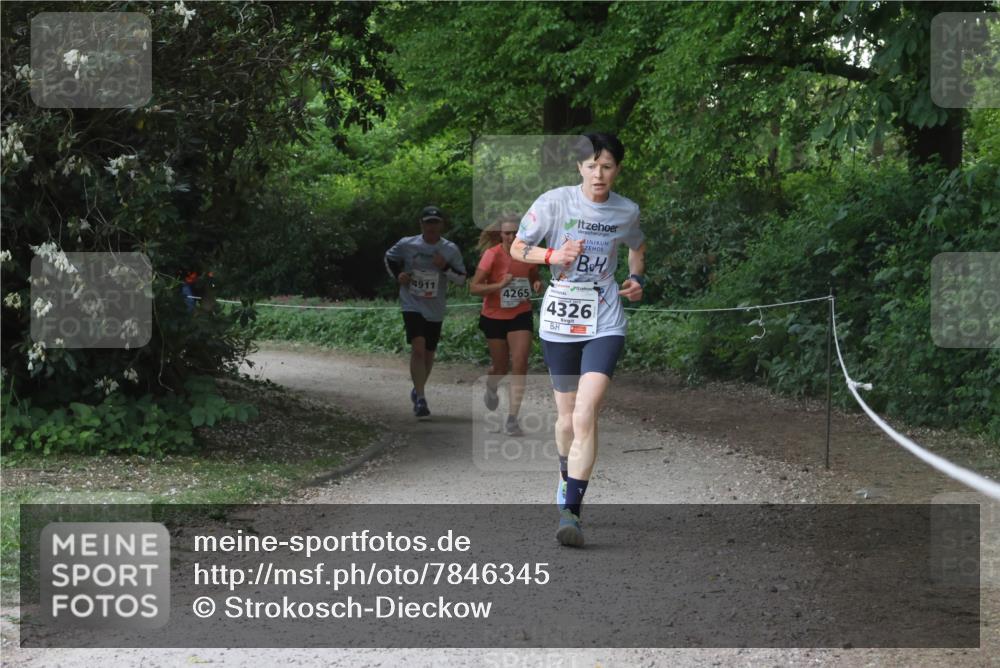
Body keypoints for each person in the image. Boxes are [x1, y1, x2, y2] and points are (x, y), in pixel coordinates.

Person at [510, 132, 647, 547]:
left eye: (607, 166)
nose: (598, 174)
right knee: (567, 419)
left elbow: (637, 247)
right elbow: (519, 248)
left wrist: (636, 277)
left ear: (617, 170)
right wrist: (553, 256)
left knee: (586, 414)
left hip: (604, 318)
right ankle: (565, 475)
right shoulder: (554, 202)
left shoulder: (626, 210)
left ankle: (571, 511)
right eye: (591, 166)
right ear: (579, 168)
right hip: (561, 320)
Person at [384, 206, 467, 419]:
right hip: (412, 302)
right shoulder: (407, 243)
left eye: (435, 222)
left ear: (441, 225)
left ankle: (417, 388)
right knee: (418, 348)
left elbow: (461, 279)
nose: (431, 226)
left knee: (429, 354)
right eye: (428, 222)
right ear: (421, 224)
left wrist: (445, 267)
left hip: (435, 306)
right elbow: (389, 258)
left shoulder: (450, 249)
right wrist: (399, 275)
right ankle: (421, 398)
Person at [468, 215, 543, 436]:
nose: (511, 237)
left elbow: (534, 277)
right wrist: (499, 284)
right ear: (500, 234)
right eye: (507, 233)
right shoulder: (491, 255)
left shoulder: (528, 253)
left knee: (520, 363)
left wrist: (537, 283)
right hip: (494, 316)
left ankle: (512, 418)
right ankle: (491, 386)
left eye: (515, 233)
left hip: (520, 313)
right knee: (500, 367)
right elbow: (474, 288)